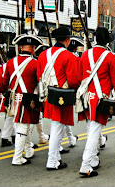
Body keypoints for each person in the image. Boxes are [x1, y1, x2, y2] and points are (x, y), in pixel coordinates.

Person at [78, 27, 115, 177]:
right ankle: (86, 165)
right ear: (107, 42)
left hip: (86, 97)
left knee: (91, 129)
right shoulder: (110, 57)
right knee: (94, 132)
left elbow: (80, 76)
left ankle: (93, 160)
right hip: (100, 99)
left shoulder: (85, 54)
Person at [37, 27, 80, 170]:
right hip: (63, 95)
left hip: (49, 94)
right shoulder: (70, 56)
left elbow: (39, 75)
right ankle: (52, 161)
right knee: (57, 128)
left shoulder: (43, 55)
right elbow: (74, 80)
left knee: (57, 126)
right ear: (67, 40)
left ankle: (56, 157)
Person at [3, 35, 44, 165]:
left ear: (20, 48)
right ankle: (17, 157)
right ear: (32, 48)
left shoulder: (10, 62)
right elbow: (40, 82)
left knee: (22, 126)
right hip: (27, 99)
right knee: (22, 128)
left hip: (13, 98)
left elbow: (4, 82)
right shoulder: (35, 63)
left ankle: (28, 149)